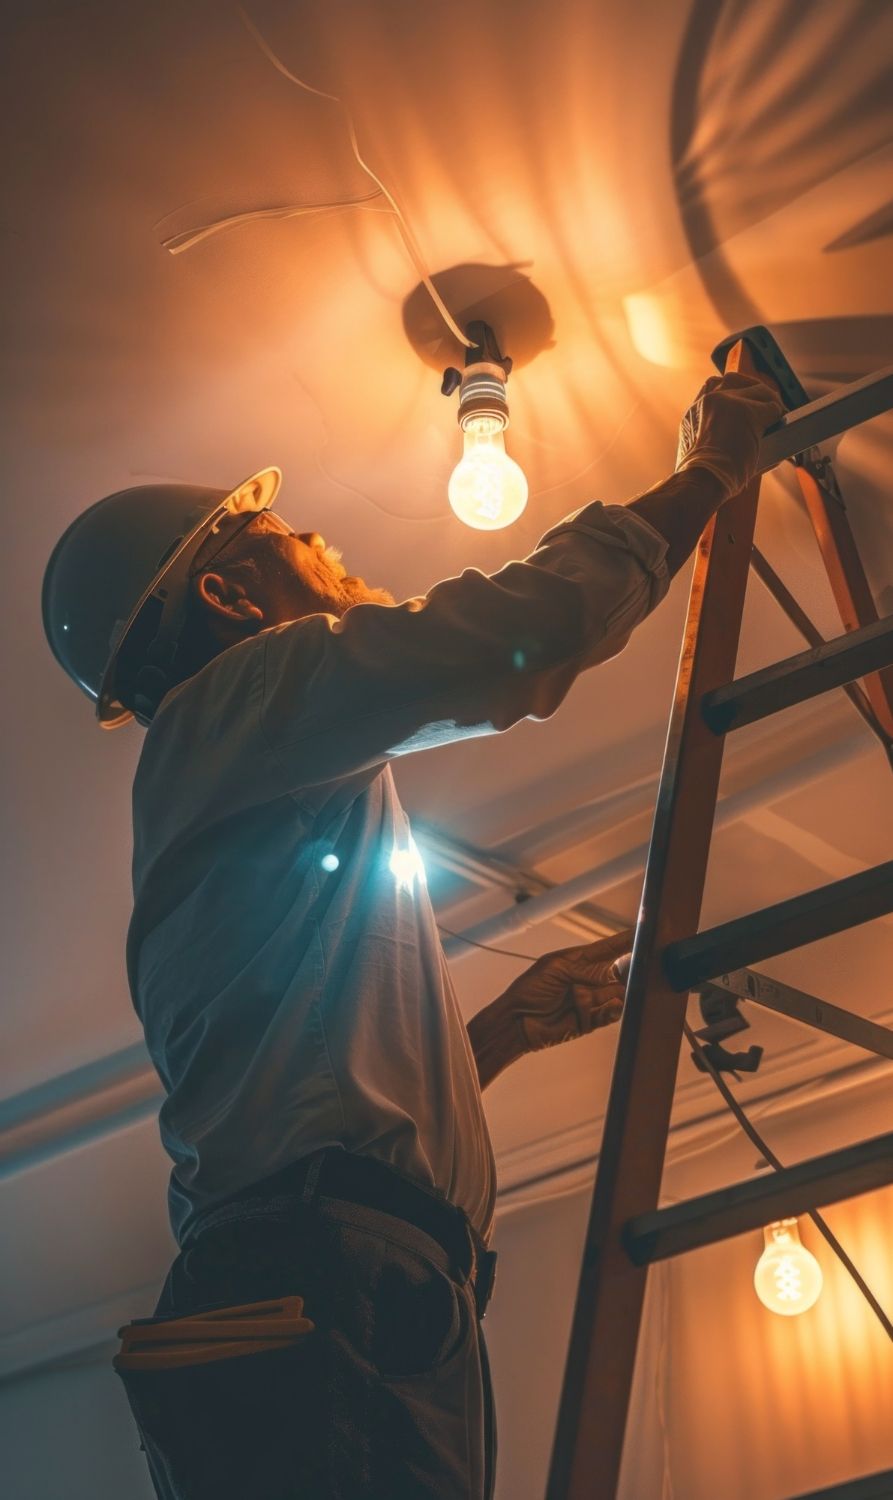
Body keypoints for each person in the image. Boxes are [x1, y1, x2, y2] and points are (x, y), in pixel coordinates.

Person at [42, 371, 783, 1498]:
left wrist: (495, 1036)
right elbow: (517, 640)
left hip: (324, 1273)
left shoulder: (247, 781)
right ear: (232, 598)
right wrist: (708, 471)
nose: (326, 539)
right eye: (290, 535)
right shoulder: (238, 703)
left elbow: (312, 1117)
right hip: (330, 1276)